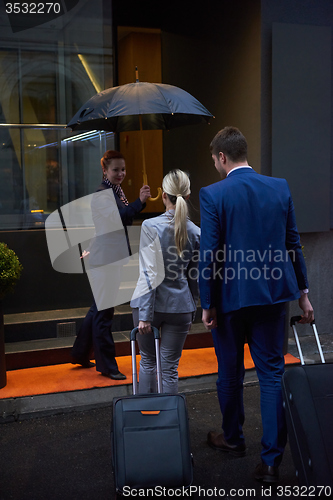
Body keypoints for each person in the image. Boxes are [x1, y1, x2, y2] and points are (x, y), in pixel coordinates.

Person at [199, 126, 314, 483]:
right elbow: (293, 243)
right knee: (271, 376)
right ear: (243, 152)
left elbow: (209, 255)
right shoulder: (278, 187)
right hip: (272, 297)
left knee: (230, 374)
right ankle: (271, 462)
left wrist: (207, 303)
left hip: (229, 300)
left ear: (221, 157)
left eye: (215, 160)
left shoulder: (212, 194)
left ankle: (233, 440)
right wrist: (304, 293)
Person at [72, 150, 150, 380]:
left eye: (123, 169)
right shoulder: (102, 193)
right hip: (105, 258)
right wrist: (140, 202)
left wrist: (138, 202)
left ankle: (79, 354)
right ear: (105, 170)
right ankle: (107, 366)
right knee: (104, 313)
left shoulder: (115, 191)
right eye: (115, 170)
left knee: (99, 308)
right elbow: (118, 218)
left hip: (107, 256)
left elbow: (124, 217)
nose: (121, 173)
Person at [130, 169, 200, 394]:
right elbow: (194, 275)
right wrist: (194, 305)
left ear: (163, 196)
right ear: (188, 197)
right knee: (169, 369)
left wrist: (144, 315)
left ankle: (147, 418)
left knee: (148, 362)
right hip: (180, 306)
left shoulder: (150, 226)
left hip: (150, 306)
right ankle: (170, 421)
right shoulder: (197, 232)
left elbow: (150, 274)